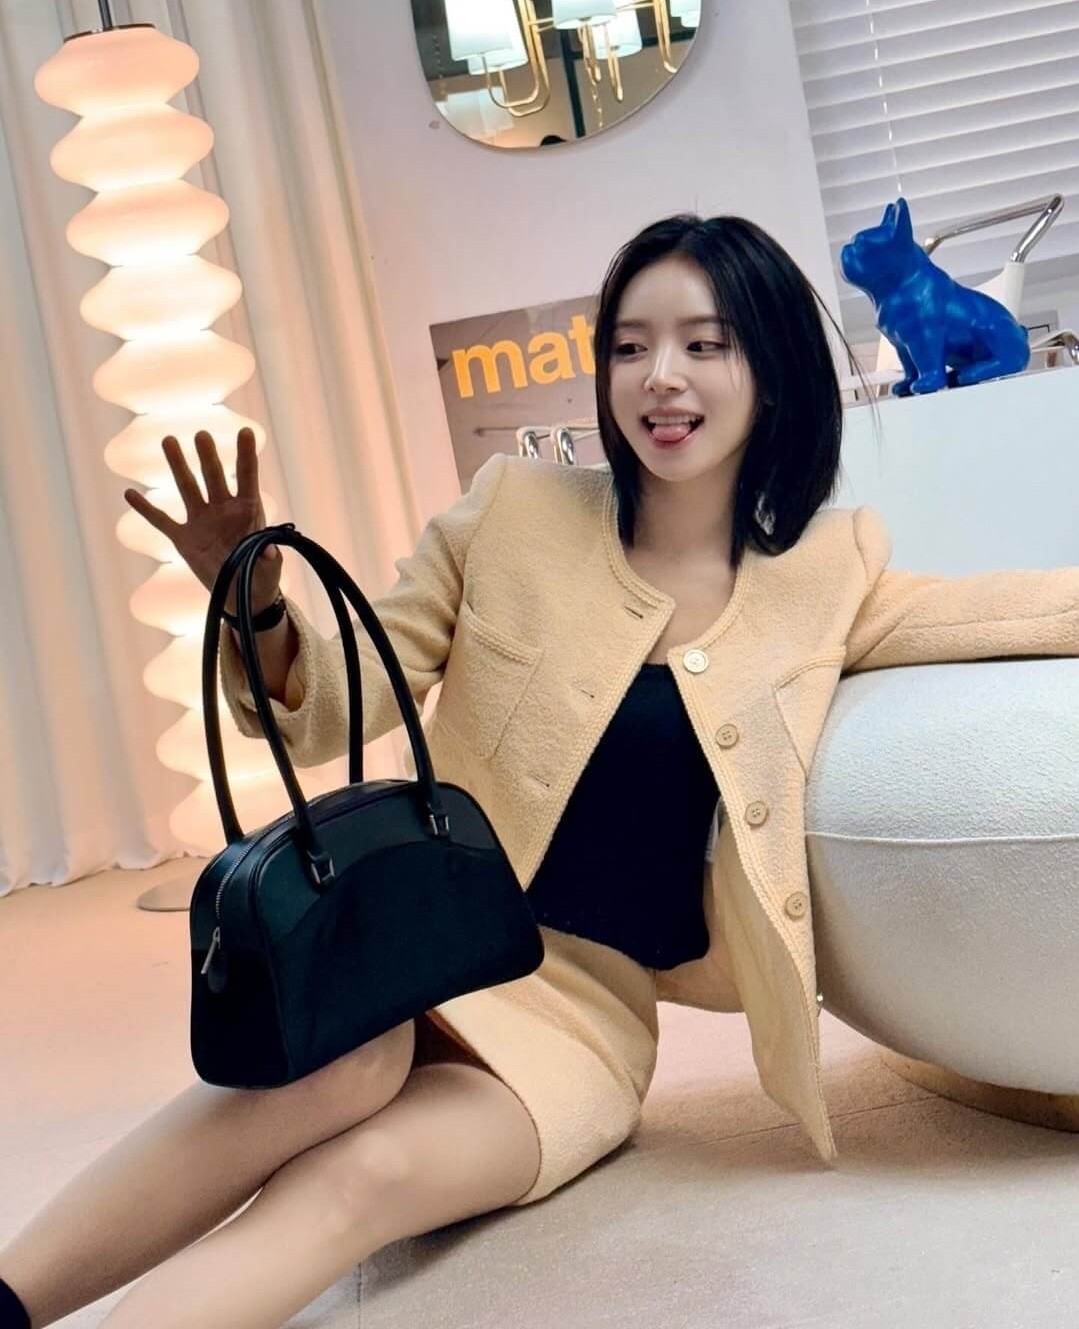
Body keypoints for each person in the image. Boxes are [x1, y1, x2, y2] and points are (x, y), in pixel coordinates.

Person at [6, 210, 1032, 1329]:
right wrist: (251, 602)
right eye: (630, 346)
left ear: (775, 370)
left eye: (704, 343)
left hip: (583, 1025)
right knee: (336, 1074)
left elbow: (992, 610)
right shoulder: (512, 512)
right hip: (410, 954)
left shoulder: (828, 572)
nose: (660, 376)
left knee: (360, 1180)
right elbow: (335, 706)